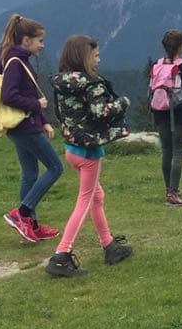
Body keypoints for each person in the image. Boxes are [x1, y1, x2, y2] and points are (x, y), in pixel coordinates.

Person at [45, 34, 134, 277]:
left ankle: (109, 245)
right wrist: (122, 102)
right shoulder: (91, 83)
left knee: (96, 196)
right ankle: (61, 255)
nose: (98, 59)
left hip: (71, 149)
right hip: (89, 151)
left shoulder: (62, 82)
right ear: (84, 57)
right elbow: (100, 112)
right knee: (84, 201)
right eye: (95, 55)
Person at [0, 14, 63, 243]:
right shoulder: (16, 62)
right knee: (55, 167)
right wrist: (37, 107)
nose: (42, 45)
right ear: (26, 40)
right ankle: (22, 213)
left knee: (31, 173)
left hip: (23, 125)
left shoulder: (15, 58)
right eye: (40, 40)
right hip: (25, 127)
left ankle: (29, 228)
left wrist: (43, 119)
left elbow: (28, 92)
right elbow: (10, 96)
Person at [149, 28, 182, 205]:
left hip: (160, 112)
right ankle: (173, 193)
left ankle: (168, 189)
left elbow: (151, 90)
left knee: (166, 151)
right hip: (179, 114)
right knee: (178, 152)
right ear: (181, 47)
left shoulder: (157, 65)